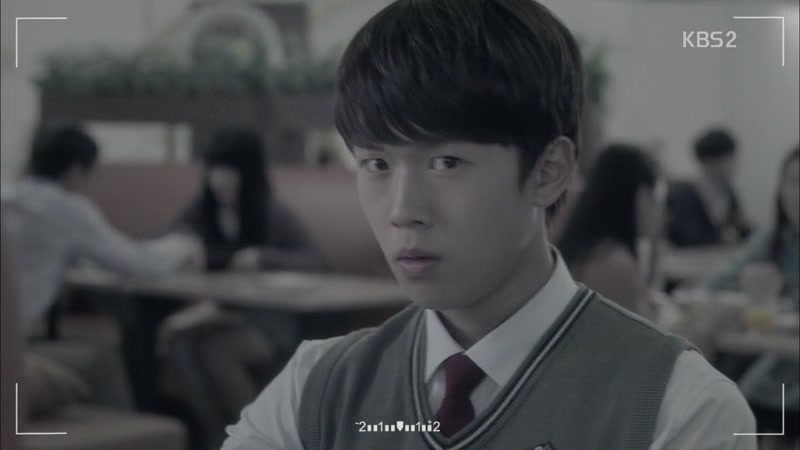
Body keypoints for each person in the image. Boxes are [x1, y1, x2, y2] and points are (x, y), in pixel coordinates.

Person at [222, 1, 755, 449]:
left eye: (446, 162)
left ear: (548, 172)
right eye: (376, 163)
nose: (402, 209)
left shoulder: (677, 408)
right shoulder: (317, 389)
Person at [2, 121, 200, 338]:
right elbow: (137, 262)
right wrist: (183, 245)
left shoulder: (10, 198)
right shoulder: (65, 210)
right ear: (76, 169)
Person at [705, 146, 799, 439]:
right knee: (739, 403)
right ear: (781, 188)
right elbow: (717, 284)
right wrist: (755, 291)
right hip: (778, 370)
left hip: (786, 372)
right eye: (794, 182)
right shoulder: (774, 240)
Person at [176, 127, 327, 272]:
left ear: (250, 175)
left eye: (229, 171)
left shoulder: (274, 215)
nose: (218, 181)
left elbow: (317, 262)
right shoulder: (203, 207)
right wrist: (183, 245)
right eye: (213, 170)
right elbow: (165, 235)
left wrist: (263, 258)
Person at [556, 144, 665, 320]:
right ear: (637, 197)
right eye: (653, 197)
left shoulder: (591, 250)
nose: (659, 212)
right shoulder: (614, 265)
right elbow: (637, 334)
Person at [667, 128, 752, 247]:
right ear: (709, 161)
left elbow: (743, 230)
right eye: (729, 159)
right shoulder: (687, 194)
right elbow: (689, 237)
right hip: (690, 255)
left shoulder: (728, 192)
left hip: (715, 254)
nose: (734, 165)